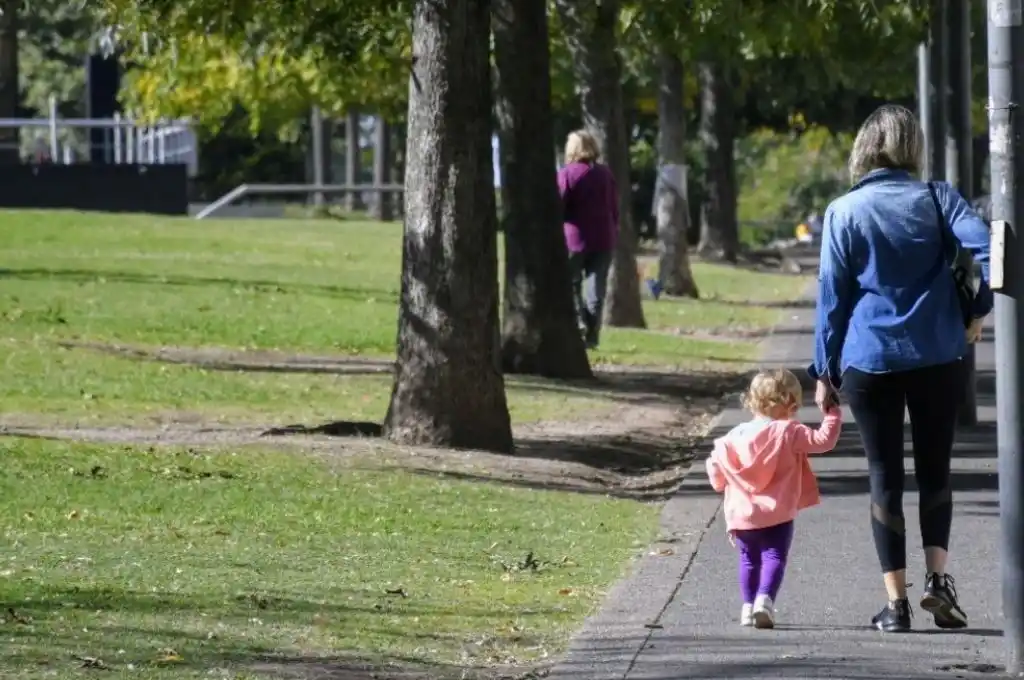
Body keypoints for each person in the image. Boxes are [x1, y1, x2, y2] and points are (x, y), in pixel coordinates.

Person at [811, 104, 991, 633]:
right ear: (914, 147)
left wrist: (825, 371)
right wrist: (975, 311)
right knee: (936, 469)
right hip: (938, 354)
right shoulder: (939, 198)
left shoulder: (844, 211)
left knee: (883, 476)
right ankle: (938, 581)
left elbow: (832, 299)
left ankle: (896, 606)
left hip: (869, 360)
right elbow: (983, 246)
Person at [706, 369, 842, 629]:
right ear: (790, 403)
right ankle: (764, 601)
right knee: (774, 556)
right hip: (778, 512)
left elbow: (717, 475)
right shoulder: (788, 432)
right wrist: (832, 413)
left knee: (748, 560)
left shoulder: (734, 436)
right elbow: (823, 441)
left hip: (742, 514)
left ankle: (747, 607)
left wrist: (719, 478)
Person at [557, 130, 619, 349]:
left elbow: (560, 206)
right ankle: (593, 336)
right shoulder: (605, 174)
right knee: (596, 289)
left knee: (570, 283)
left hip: (575, 238)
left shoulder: (567, 174)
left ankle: (581, 320)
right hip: (604, 238)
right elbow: (614, 207)